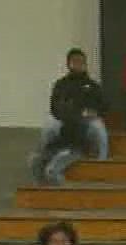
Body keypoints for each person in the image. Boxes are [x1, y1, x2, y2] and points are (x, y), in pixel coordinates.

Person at [29, 48, 108, 187]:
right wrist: (68, 113)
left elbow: (103, 106)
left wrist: (92, 112)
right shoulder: (61, 85)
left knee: (98, 126)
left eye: (82, 62)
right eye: (75, 62)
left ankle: (101, 161)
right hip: (64, 123)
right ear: (68, 64)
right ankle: (40, 188)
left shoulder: (93, 86)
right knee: (48, 128)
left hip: (83, 128)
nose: (78, 65)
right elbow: (54, 107)